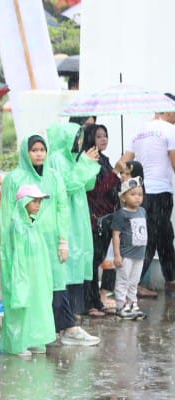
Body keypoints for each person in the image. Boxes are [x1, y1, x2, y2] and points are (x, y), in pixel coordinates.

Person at [1, 135, 100, 348]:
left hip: (50, 241)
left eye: (42, 150)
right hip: (24, 244)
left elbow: (61, 208)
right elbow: (7, 215)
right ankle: (21, 339)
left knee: (51, 288)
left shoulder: (53, 177)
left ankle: (41, 335)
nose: (38, 154)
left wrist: (63, 241)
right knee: (26, 289)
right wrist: (11, 246)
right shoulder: (14, 178)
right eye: (34, 150)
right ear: (25, 152)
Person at [46, 122, 101, 317]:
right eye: (77, 137)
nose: (79, 141)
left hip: (78, 214)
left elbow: (87, 185)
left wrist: (88, 164)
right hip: (66, 215)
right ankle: (65, 317)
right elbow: (66, 186)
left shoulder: (71, 158)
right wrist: (84, 164)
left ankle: (72, 315)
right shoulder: (56, 159)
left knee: (78, 259)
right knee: (67, 264)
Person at [121, 106, 175, 295]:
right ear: (169, 111)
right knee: (153, 237)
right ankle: (135, 285)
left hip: (142, 194)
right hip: (161, 192)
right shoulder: (170, 129)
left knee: (163, 235)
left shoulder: (138, 130)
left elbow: (124, 162)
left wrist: (125, 186)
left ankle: (170, 279)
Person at [0, 185, 57, 357]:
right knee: (20, 307)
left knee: (36, 303)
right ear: (24, 202)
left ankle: (33, 339)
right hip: (21, 273)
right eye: (34, 201)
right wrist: (19, 276)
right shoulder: (17, 225)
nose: (38, 205)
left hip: (35, 274)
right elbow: (15, 255)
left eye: (40, 201)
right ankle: (17, 343)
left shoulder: (33, 223)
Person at [82, 124, 122, 315]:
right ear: (90, 139)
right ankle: (90, 303)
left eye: (105, 136)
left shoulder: (104, 160)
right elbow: (97, 191)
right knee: (92, 262)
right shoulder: (89, 162)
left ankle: (97, 300)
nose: (103, 139)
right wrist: (114, 174)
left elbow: (112, 187)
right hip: (95, 220)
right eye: (98, 136)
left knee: (99, 261)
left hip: (107, 219)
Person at [112, 179, 148, 319]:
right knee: (123, 280)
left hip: (139, 254)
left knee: (134, 281)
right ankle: (121, 305)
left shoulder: (143, 211)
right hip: (126, 254)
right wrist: (117, 255)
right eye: (133, 194)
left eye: (140, 194)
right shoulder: (122, 214)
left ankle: (132, 303)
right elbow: (116, 235)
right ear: (124, 197)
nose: (137, 197)